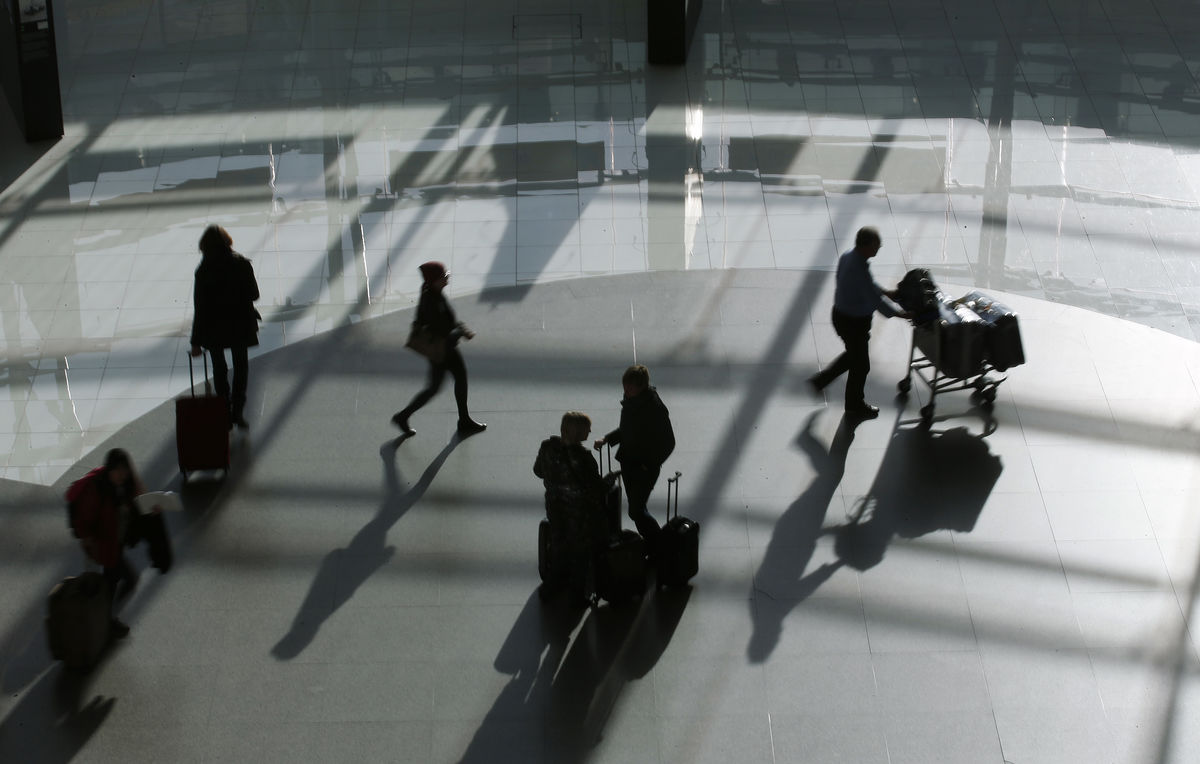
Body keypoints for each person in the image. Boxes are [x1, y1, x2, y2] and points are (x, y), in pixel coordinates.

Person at [809, 226, 911, 419]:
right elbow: (875, 301)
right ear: (865, 245)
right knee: (861, 366)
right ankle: (854, 405)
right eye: (876, 245)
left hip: (841, 315)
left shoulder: (849, 256)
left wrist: (885, 292)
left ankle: (821, 381)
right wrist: (901, 314)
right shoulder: (859, 269)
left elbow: (867, 285)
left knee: (853, 356)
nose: (879, 247)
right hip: (854, 323)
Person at [65, 448, 161, 638]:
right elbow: (84, 520)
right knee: (123, 579)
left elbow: (137, 501)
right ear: (110, 469)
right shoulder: (96, 489)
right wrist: (89, 541)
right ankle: (107, 621)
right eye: (118, 471)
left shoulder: (123, 485)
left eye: (125, 471)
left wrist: (152, 509)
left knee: (121, 580)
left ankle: (106, 618)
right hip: (103, 546)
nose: (122, 475)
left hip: (114, 544)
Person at [392, 262, 486, 437]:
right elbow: (440, 329)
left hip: (445, 347)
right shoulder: (431, 300)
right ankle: (404, 416)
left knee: (450, 381)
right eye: (444, 276)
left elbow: (446, 321)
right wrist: (459, 332)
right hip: (442, 350)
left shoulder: (433, 293)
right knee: (436, 387)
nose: (447, 277)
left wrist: (459, 328)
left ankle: (463, 419)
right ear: (435, 280)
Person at [593, 365, 674, 551]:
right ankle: (654, 544)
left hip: (643, 468)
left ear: (641, 386)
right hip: (630, 464)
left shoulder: (654, 409)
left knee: (636, 511)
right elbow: (627, 429)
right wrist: (608, 438)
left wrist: (649, 464)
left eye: (629, 388)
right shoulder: (632, 401)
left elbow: (668, 442)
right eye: (625, 387)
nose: (625, 391)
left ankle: (659, 544)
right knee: (636, 509)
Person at [534, 412, 613, 600]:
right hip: (579, 511)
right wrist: (609, 480)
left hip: (554, 505)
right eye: (587, 429)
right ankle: (577, 597)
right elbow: (596, 487)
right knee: (580, 551)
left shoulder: (547, 447)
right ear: (578, 433)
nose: (590, 431)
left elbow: (538, 471)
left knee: (558, 546)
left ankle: (550, 588)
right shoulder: (584, 458)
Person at [189, 225, 261, 429]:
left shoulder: (203, 271)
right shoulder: (242, 264)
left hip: (214, 328)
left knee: (219, 369)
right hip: (240, 324)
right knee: (241, 367)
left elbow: (200, 308)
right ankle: (238, 411)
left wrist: (195, 342)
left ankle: (224, 410)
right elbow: (254, 294)